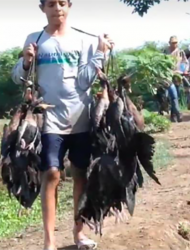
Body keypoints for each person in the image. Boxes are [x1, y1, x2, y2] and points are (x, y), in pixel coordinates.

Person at [11, 0, 114, 249]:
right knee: (52, 173)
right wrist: (26, 61)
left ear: (69, 7)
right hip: (48, 119)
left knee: (80, 173)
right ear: (42, 9)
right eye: (51, 4)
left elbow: (84, 82)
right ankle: (49, 241)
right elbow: (18, 78)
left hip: (79, 117)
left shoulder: (84, 40)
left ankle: (79, 233)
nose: (57, 8)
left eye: (62, 3)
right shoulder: (35, 38)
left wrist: (102, 53)